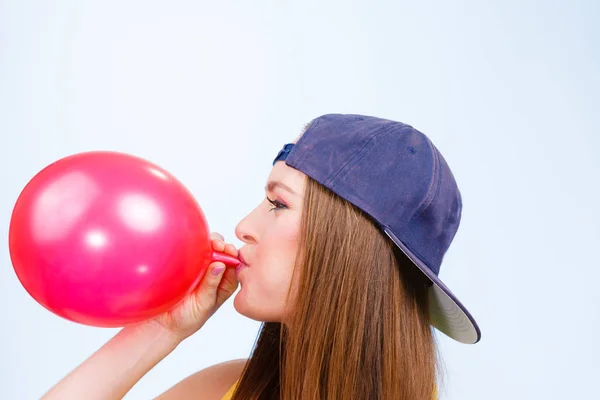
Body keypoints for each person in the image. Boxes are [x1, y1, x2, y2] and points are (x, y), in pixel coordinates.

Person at [41, 114, 481, 400]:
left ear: (349, 250)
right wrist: (159, 330)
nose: (243, 227)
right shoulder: (231, 390)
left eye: (279, 204)